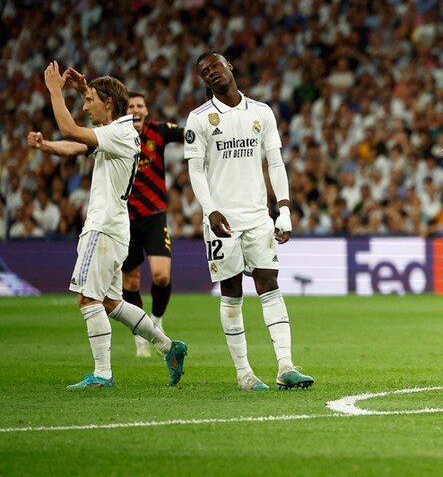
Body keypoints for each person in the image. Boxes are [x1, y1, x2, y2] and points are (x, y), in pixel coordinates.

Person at [29, 62, 187, 388]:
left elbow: (72, 132)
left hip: (102, 229)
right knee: (113, 303)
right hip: (116, 228)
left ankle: (102, 374)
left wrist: (56, 91)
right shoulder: (121, 131)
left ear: (110, 104)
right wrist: (81, 89)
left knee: (88, 299)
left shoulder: (118, 132)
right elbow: (78, 142)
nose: (85, 108)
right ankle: (168, 347)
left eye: (90, 102)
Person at [185, 51, 314, 391]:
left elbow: (276, 162)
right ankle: (244, 374)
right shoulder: (199, 119)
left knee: (269, 284)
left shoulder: (261, 112)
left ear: (230, 66)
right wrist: (209, 209)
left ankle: (285, 365)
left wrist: (283, 207)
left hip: (258, 216)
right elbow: (195, 170)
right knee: (231, 292)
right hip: (221, 220)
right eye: (203, 71)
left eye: (214, 65)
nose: (211, 73)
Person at [122, 91, 184, 357]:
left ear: (146, 110)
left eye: (140, 105)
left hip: (155, 216)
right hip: (124, 220)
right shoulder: (115, 135)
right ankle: (140, 334)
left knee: (162, 275)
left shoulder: (158, 132)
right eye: (131, 106)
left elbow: (186, 133)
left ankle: (156, 321)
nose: (136, 109)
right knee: (131, 282)